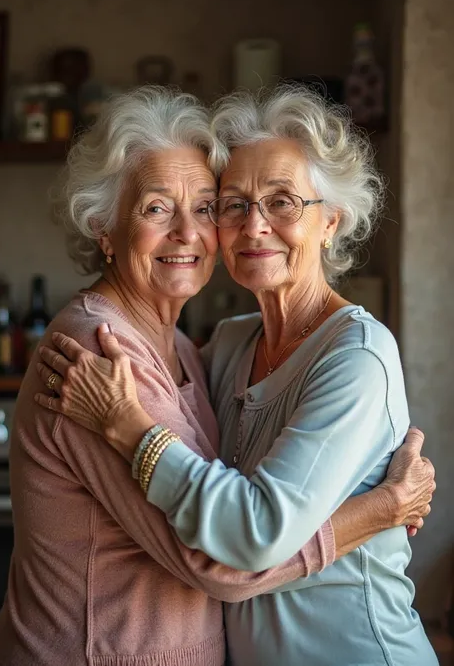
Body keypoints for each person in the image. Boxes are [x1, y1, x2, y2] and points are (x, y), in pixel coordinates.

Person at [32, 86, 437, 666]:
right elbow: (227, 545)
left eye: (282, 202)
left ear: (332, 221)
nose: (253, 227)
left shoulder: (357, 356)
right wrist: (381, 508)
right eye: (233, 204)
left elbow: (251, 534)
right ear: (105, 228)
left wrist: (131, 429)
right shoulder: (222, 347)